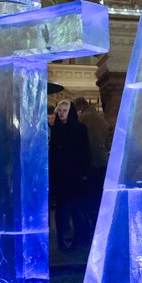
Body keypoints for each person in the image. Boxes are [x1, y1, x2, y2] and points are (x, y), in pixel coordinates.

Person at [49, 100, 92, 252]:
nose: (61, 113)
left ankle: (78, 239)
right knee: (61, 209)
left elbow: (85, 153)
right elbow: (53, 154)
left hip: (75, 176)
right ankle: (61, 239)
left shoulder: (80, 129)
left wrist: (84, 174)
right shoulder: (56, 130)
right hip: (61, 176)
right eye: (59, 110)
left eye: (64, 110)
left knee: (75, 208)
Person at [73, 96, 109, 228]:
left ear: (79, 107)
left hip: (90, 162)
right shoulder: (101, 119)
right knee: (99, 194)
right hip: (103, 160)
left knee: (88, 197)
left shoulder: (83, 118)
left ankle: (90, 225)